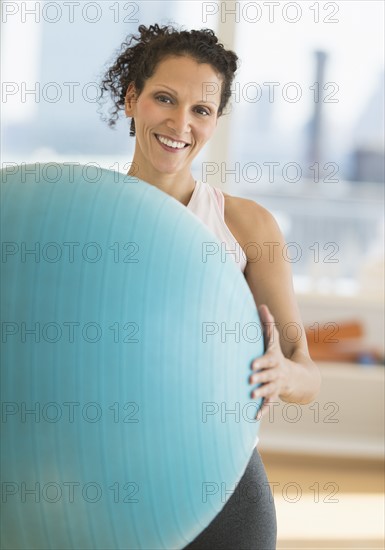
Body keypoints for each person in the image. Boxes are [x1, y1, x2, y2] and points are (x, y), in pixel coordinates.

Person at [98, 23, 321, 550]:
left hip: (221, 484)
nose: (180, 122)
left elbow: (307, 377)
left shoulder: (247, 226)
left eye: (201, 110)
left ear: (216, 120)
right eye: (164, 99)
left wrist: (281, 373)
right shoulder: (85, 219)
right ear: (132, 99)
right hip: (102, 474)